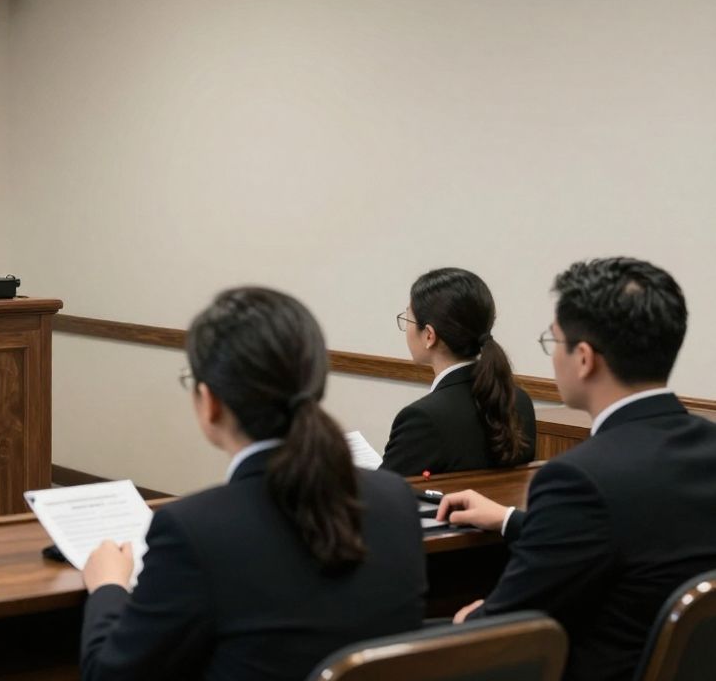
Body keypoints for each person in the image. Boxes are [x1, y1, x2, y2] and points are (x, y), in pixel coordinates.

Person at [80, 287, 426, 681]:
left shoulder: (193, 531)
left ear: (209, 401)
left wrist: (108, 585)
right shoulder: (395, 499)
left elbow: (109, 675)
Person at [437, 257, 716, 681]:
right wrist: (511, 520)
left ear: (584, 358)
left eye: (555, 341)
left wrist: (473, 619)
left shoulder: (579, 478)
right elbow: (638, 537)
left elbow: (500, 627)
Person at [380, 268, 536, 475]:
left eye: (408, 319)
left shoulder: (422, 419)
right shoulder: (519, 401)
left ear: (429, 335)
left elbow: (384, 494)